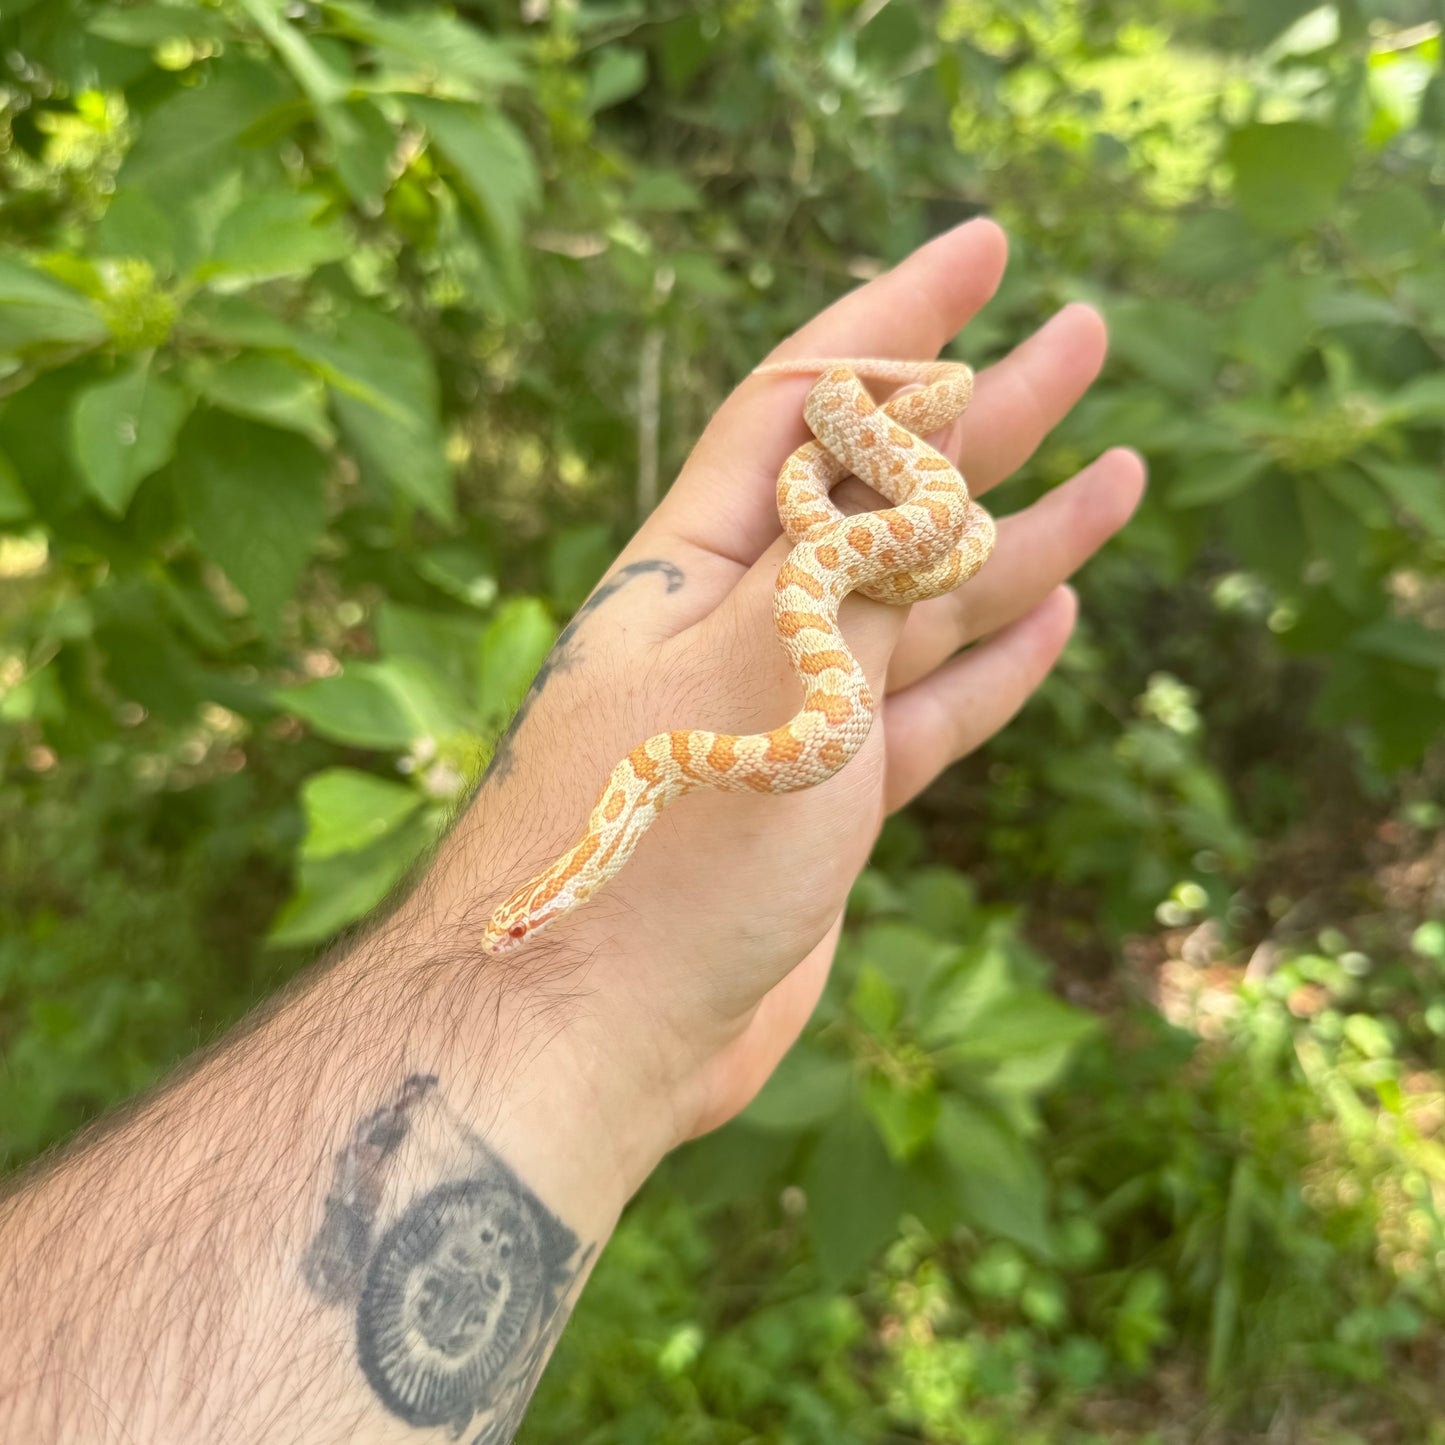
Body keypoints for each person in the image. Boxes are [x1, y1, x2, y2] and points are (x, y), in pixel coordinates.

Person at [0, 219, 1144, 1443]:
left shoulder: (692, 753)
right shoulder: (658, 777)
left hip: (830, 555)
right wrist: (610, 995)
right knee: (935, 531)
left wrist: (856, 513)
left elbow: (766, 681)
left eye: (526, 912)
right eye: (525, 914)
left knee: (942, 524)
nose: (518, 924)